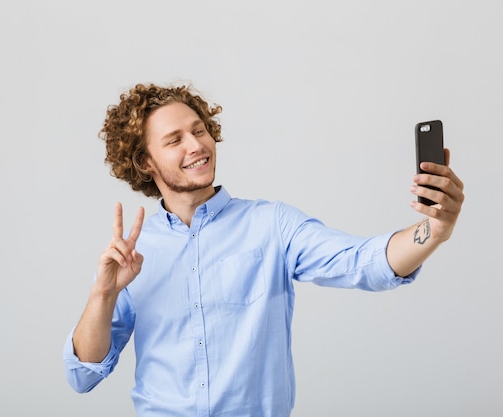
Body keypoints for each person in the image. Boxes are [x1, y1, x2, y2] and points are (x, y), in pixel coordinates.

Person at [63, 83, 464, 417]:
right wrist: (104, 294)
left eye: (199, 130)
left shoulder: (272, 225)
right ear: (145, 162)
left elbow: (364, 262)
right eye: (175, 139)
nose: (197, 145)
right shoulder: (135, 253)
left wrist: (434, 229)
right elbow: (83, 374)